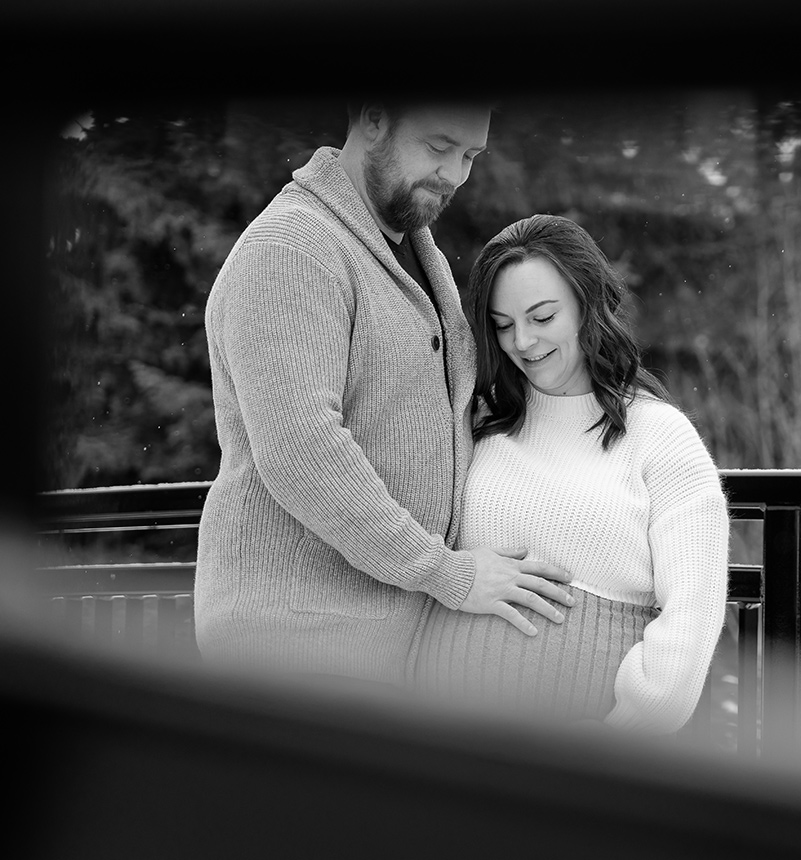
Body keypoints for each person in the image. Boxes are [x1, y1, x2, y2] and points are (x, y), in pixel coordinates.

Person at [195, 101, 575, 688]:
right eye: (439, 146)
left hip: (386, 648)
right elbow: (301, 450)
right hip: (295, 645)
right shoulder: (292, 248)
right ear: (374, 119)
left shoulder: (418, 252)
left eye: (471, 155)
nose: (455, 174)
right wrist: (446, 574)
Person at [417, 214, 730, 734]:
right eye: (503, 325)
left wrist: (625, 735)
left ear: (588, 305)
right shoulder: (476, 422)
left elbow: (691, 616)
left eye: (542, 317)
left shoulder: (659, 436)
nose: (523, 341)